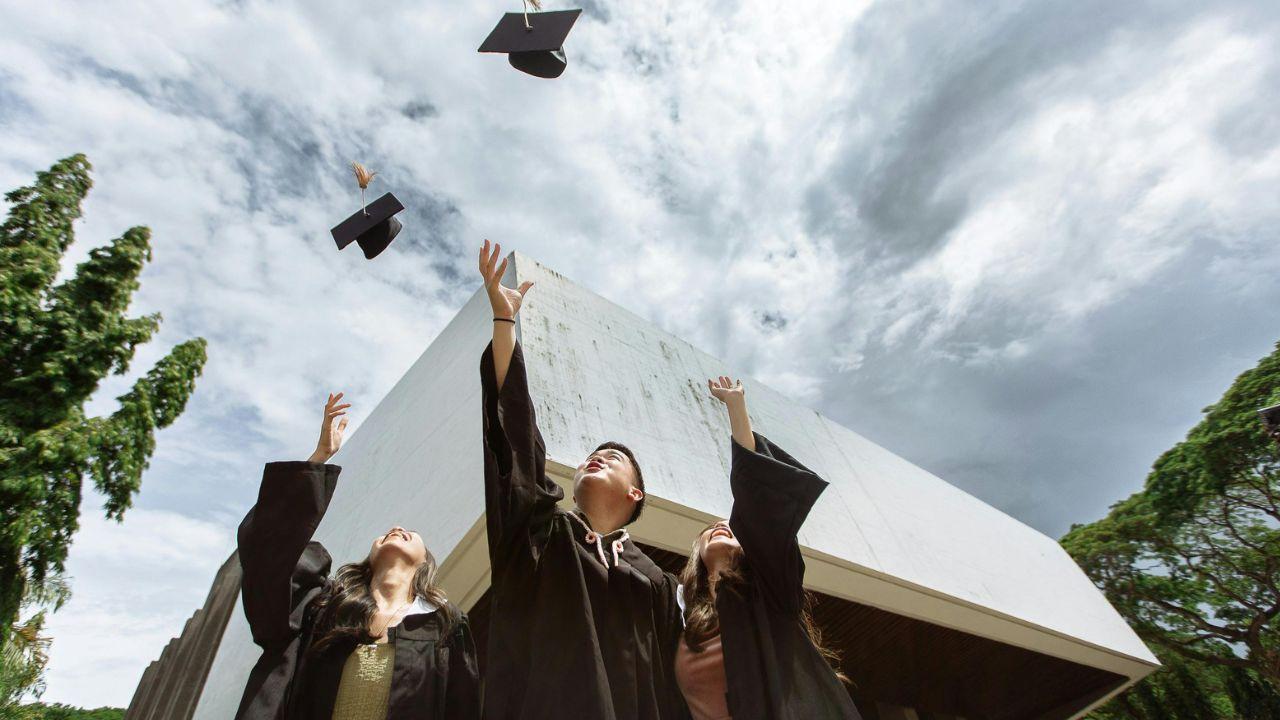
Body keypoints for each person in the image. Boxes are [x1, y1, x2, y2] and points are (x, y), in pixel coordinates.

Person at [476, 240, 689, 720]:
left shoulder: (656, 583)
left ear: (636, 493)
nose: (595, 458)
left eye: (612, 458)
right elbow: (516, 447)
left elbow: (675, 688)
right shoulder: (539, 535)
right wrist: (505, 324)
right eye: (591, 456)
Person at [234, 393, 481, 720]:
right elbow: (268, 555)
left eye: (409, 531)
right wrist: (318, 459)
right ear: (369, 558)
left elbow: (462, 710)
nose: (396, 527)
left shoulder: (444, 624)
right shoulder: (324, 607)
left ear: (424, 561)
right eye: (387, 531)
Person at [676, 376, 862, 720]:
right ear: (697, 553)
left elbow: (758, 502)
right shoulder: (682, 618)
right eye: (709, 530)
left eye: (730, 527)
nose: (719, 527)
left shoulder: (770, 589)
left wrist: (736, 409)